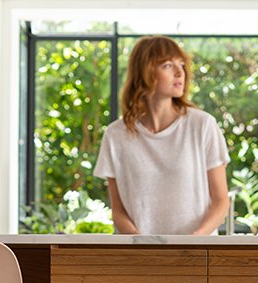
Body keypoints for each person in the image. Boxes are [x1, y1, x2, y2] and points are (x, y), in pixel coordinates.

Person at [95, 36, 230, 235]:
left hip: (197, 250)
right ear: (144, 72)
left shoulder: (202, 125)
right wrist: (143, 247)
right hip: (139, 252)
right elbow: (118, 210)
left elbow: (221, 201)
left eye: (181, 64)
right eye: (167, 65)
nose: (180, 72)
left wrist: (193, 242)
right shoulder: (115, 135)